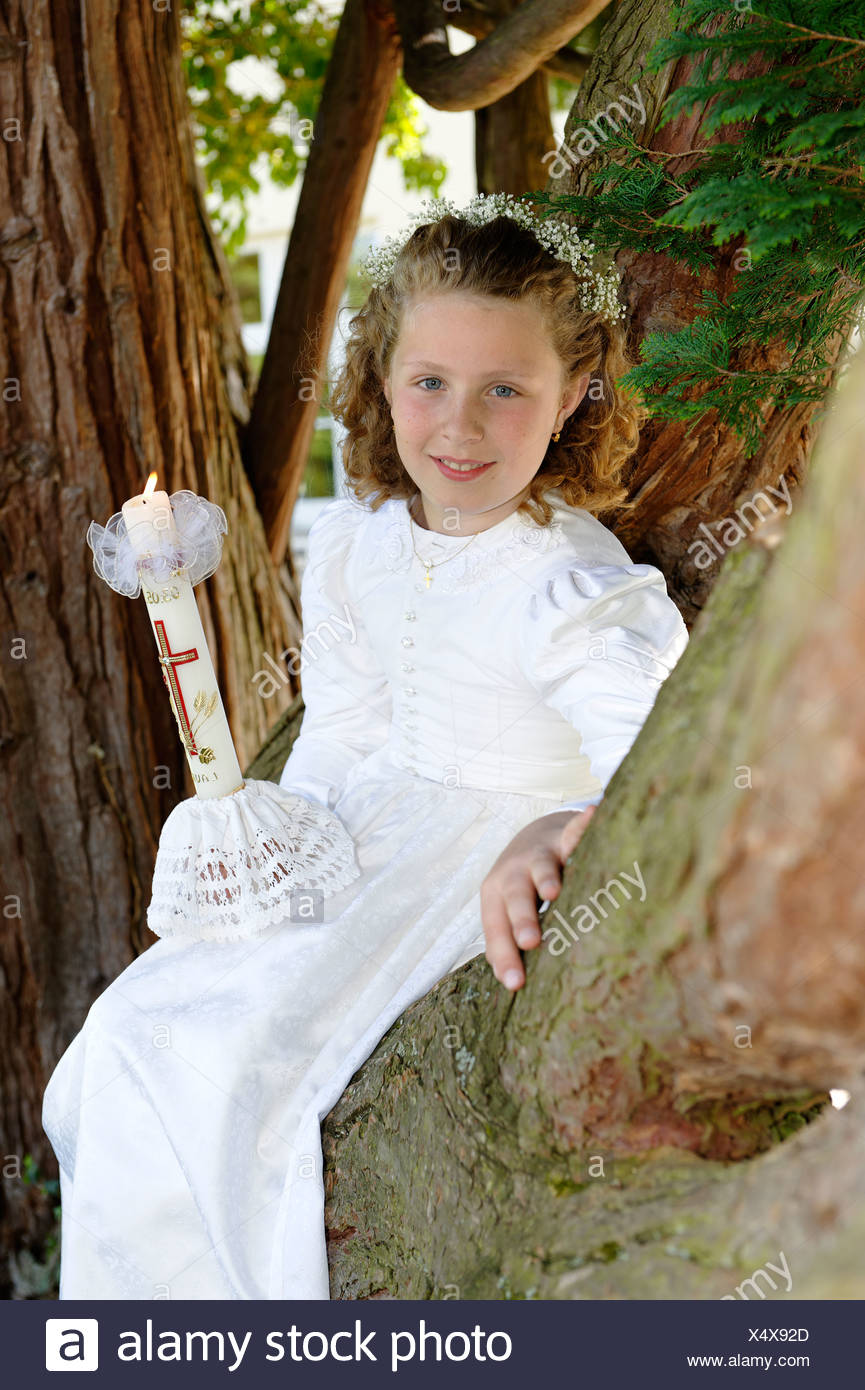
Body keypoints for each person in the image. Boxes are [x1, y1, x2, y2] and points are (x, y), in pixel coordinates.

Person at [41, 193, 689, 1300]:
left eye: (505, 390)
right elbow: (340, 731)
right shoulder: (356, 547)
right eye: (430, 382)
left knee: (221, 1076)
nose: (460, 426)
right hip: (359, 835)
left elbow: (663, 758)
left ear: (574, 394)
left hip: (464, 866)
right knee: (123, 1033)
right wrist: (272, 863)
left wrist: (556, 824)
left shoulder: (570, 584)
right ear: (383, 377)